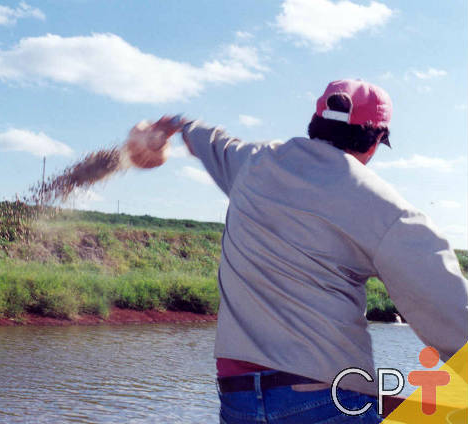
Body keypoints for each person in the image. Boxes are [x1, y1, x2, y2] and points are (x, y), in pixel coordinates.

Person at [129, 79, 468, 423]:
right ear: (377, 140)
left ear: (315, 123)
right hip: (324, 399)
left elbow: (210, 140)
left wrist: (177, 126)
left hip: (238, 401)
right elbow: (451, 313)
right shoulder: (385, 209)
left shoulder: (253, 163)